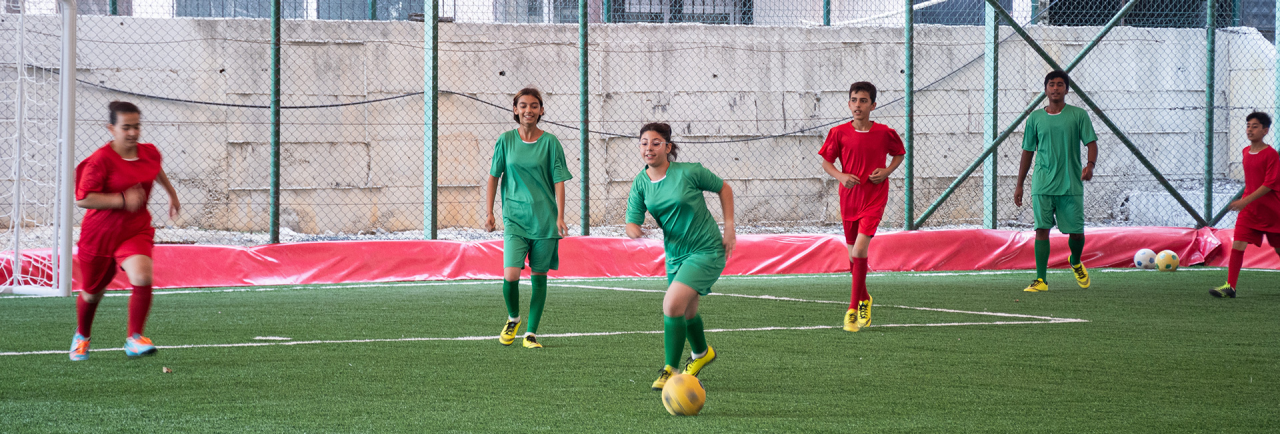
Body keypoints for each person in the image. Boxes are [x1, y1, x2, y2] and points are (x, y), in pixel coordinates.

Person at [625, 122, 735, 391]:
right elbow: (631, 222)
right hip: (675, 255)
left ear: (668, 147)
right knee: (686, 313)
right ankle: (701, 353)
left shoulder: (689, 172)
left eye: (655, 143)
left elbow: (724, 189)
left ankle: (669, 370)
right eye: (644, 143)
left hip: (706, 249)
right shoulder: (641, 183)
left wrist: (729, 228)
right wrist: (634, 230)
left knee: (672, 304)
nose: (649, 148)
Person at [70, 101, 180, 361]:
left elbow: (155, 169)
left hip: (135, 230)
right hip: (100, 235)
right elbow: (83, 199)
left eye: (137, 126)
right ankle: (82, 336)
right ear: (111, 128)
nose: (133, 133)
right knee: (92, 293)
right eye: (126, 127)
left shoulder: (149, 152)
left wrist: (171, 193)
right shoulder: (100, 161)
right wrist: (121, 199)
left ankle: (135, 338)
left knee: (142, 276)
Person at [484, 87, 572, 349]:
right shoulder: (505, 140)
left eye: (534, 105)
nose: (528, 110)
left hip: (545, 220)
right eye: (523, 105)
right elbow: (493, 177)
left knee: (539, 276)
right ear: (515, 110)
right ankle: (513, 318)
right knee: (511, 274)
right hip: (515, 219)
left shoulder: (551, 143)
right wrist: (489, 212)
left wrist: (560, 216)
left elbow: (559, 181)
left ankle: (531, 333)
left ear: (541, 110)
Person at [818, 81, 905, 332]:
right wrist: (841, 176)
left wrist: (887, 171)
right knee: (852, 258)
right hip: (849, 198)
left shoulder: (885, 132)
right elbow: (827, 162)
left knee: (859, 250)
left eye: (864, 101)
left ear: (873, 105)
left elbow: (899, 153)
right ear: (849, 104)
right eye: (854, 100)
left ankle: (852, 310)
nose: (858, 105)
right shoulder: (838, 133)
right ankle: (865, 297)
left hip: (874, 197)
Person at [1013, 70, 1099, 293]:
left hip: (1071, 184)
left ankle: (1075, 261)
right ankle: (1041, 280)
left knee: (1076, 233)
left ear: (1067, 90)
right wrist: (1020, 184)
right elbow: (1027, 151)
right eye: (1051, 84)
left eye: (1060, 84)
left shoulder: (1078, 115)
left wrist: (1090, 166)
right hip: (1042, 183)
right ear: (1045, 89)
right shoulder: (1035, 118)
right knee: (1042, 229)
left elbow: (1091, 143)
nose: (1055, 88)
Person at [1210, 112, 1280, 298]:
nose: (1249, 129)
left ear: (1265, 131)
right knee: (1238, 243)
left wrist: (1244, 201)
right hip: (1249, 211)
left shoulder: (1271, 154)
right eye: (1248, 126)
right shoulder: (1245, 152)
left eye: (1255, 126)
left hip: (1272, 212)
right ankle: (1230, 287)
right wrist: (1246, 203)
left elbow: (1268, 184)